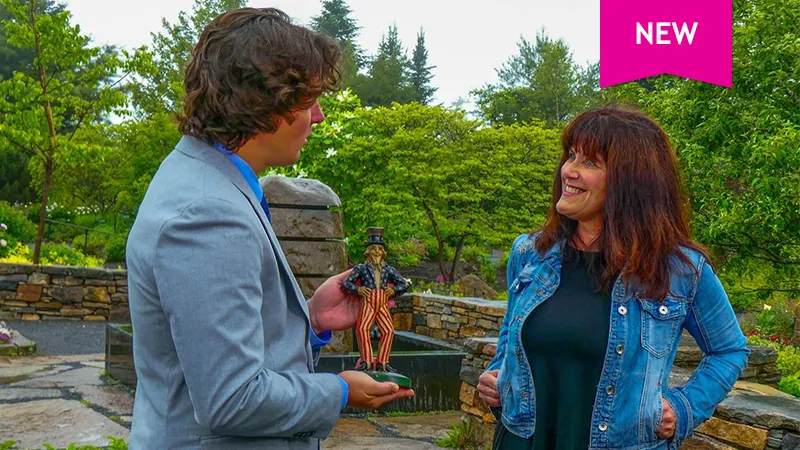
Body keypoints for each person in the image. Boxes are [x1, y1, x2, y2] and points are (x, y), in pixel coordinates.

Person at [125, 8, 413, 449]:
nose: (318, 116)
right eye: (308, 101)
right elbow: (232, 398)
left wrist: (312, 320)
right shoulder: (208, 213)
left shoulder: (206, 178)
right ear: (266, 102)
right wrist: (339, 391)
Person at [477, 106, 749, 450]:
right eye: (571, 155)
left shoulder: (679, 270)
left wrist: (684, 408)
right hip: (522, 440)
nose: (568, 171)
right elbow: (511, 331)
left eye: (590, 162)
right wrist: (499, 373)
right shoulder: (530, 253)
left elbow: (729, 350)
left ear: (631, 180)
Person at [341, 227, 409, 372]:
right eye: (373, 249)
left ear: (383, 252)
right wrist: (358, 289)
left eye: (379, 249)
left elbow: (404, 284)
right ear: (368, 252)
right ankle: (366, 361)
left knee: (388, 330)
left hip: (382, 301)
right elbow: (346, 283)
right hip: (368, 300)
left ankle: (383, 362)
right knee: (362, 328)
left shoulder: (388, 269)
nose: (377, 251)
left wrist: (393, 290)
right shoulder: (361, 268)